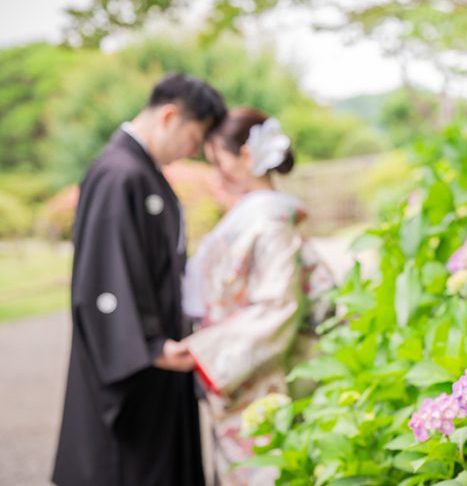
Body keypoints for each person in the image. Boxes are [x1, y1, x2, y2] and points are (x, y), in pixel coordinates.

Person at [53, 73, 227, 486]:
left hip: (159, 356)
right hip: (139, 361)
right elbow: (103, 275)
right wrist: (147, 345)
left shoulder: (139, 170)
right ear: (170, 116)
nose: (193, 151)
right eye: (195, 136)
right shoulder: (120, 172)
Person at [181, 107, 335, 486]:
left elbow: (278, 307)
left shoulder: (269, 220)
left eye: (219, 160)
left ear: (247, 155)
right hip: (240, 369)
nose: (217, 172)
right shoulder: (259, 214)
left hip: (255, 374)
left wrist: (204, 352)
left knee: (263, 469)